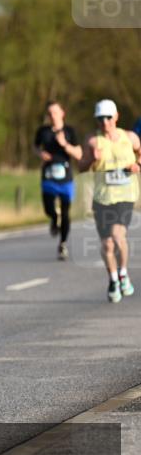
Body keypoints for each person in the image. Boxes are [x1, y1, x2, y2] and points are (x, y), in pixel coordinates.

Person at [79, 99, 141, 303]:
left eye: (108, 117)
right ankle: (113, 279)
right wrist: (90, 159)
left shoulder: (129, 137)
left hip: (125, 195)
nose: (104, 122)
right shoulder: (92, 141)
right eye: (100, 119)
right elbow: (81, 168)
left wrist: (137, 165)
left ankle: (123, 273)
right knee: (106, 244)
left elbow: (140, 153)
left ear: (116, 117)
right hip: (102, 198)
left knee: (117, 236)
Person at [34, 101, 80, 260]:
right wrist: (40, 154)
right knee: (48, 208)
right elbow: (35, 147)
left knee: (66, 211)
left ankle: (63, 243)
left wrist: (65, 144)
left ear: (62, 113)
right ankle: (54, 218)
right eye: (49, 113)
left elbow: (79, 153)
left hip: (65, 175)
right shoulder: (43, 131)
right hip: (48, 174)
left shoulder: (69, 131)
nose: (52, 116)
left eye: (55, 112)